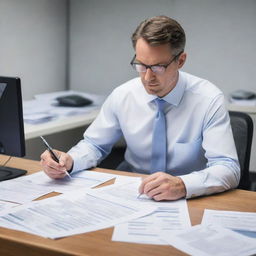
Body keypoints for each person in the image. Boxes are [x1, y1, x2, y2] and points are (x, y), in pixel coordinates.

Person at [40, 15, 240, 201]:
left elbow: (228, 168)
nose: (147, 77)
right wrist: (69, 160)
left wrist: (182, 184)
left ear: (180, 60)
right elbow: (94, 145)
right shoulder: (124, 95)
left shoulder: (208, 99)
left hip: (185, 197)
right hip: (130, 193)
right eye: (141, 65)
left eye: (158, 67)